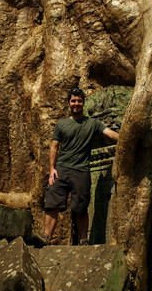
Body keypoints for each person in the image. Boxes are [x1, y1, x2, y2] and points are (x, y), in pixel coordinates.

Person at [39, 88, 119, 246]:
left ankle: (83, 240)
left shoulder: (92, 123)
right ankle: (46, 236)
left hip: (81, 170)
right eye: (73, 101)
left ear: (83, 103)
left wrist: (128, 137)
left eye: (79, 101)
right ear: (69, 103)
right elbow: (54, 147)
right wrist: (51, 169)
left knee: (81, 207)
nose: (76, 104)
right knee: (52, 203)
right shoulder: (61, 124)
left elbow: (111, 134)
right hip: (61, 169)